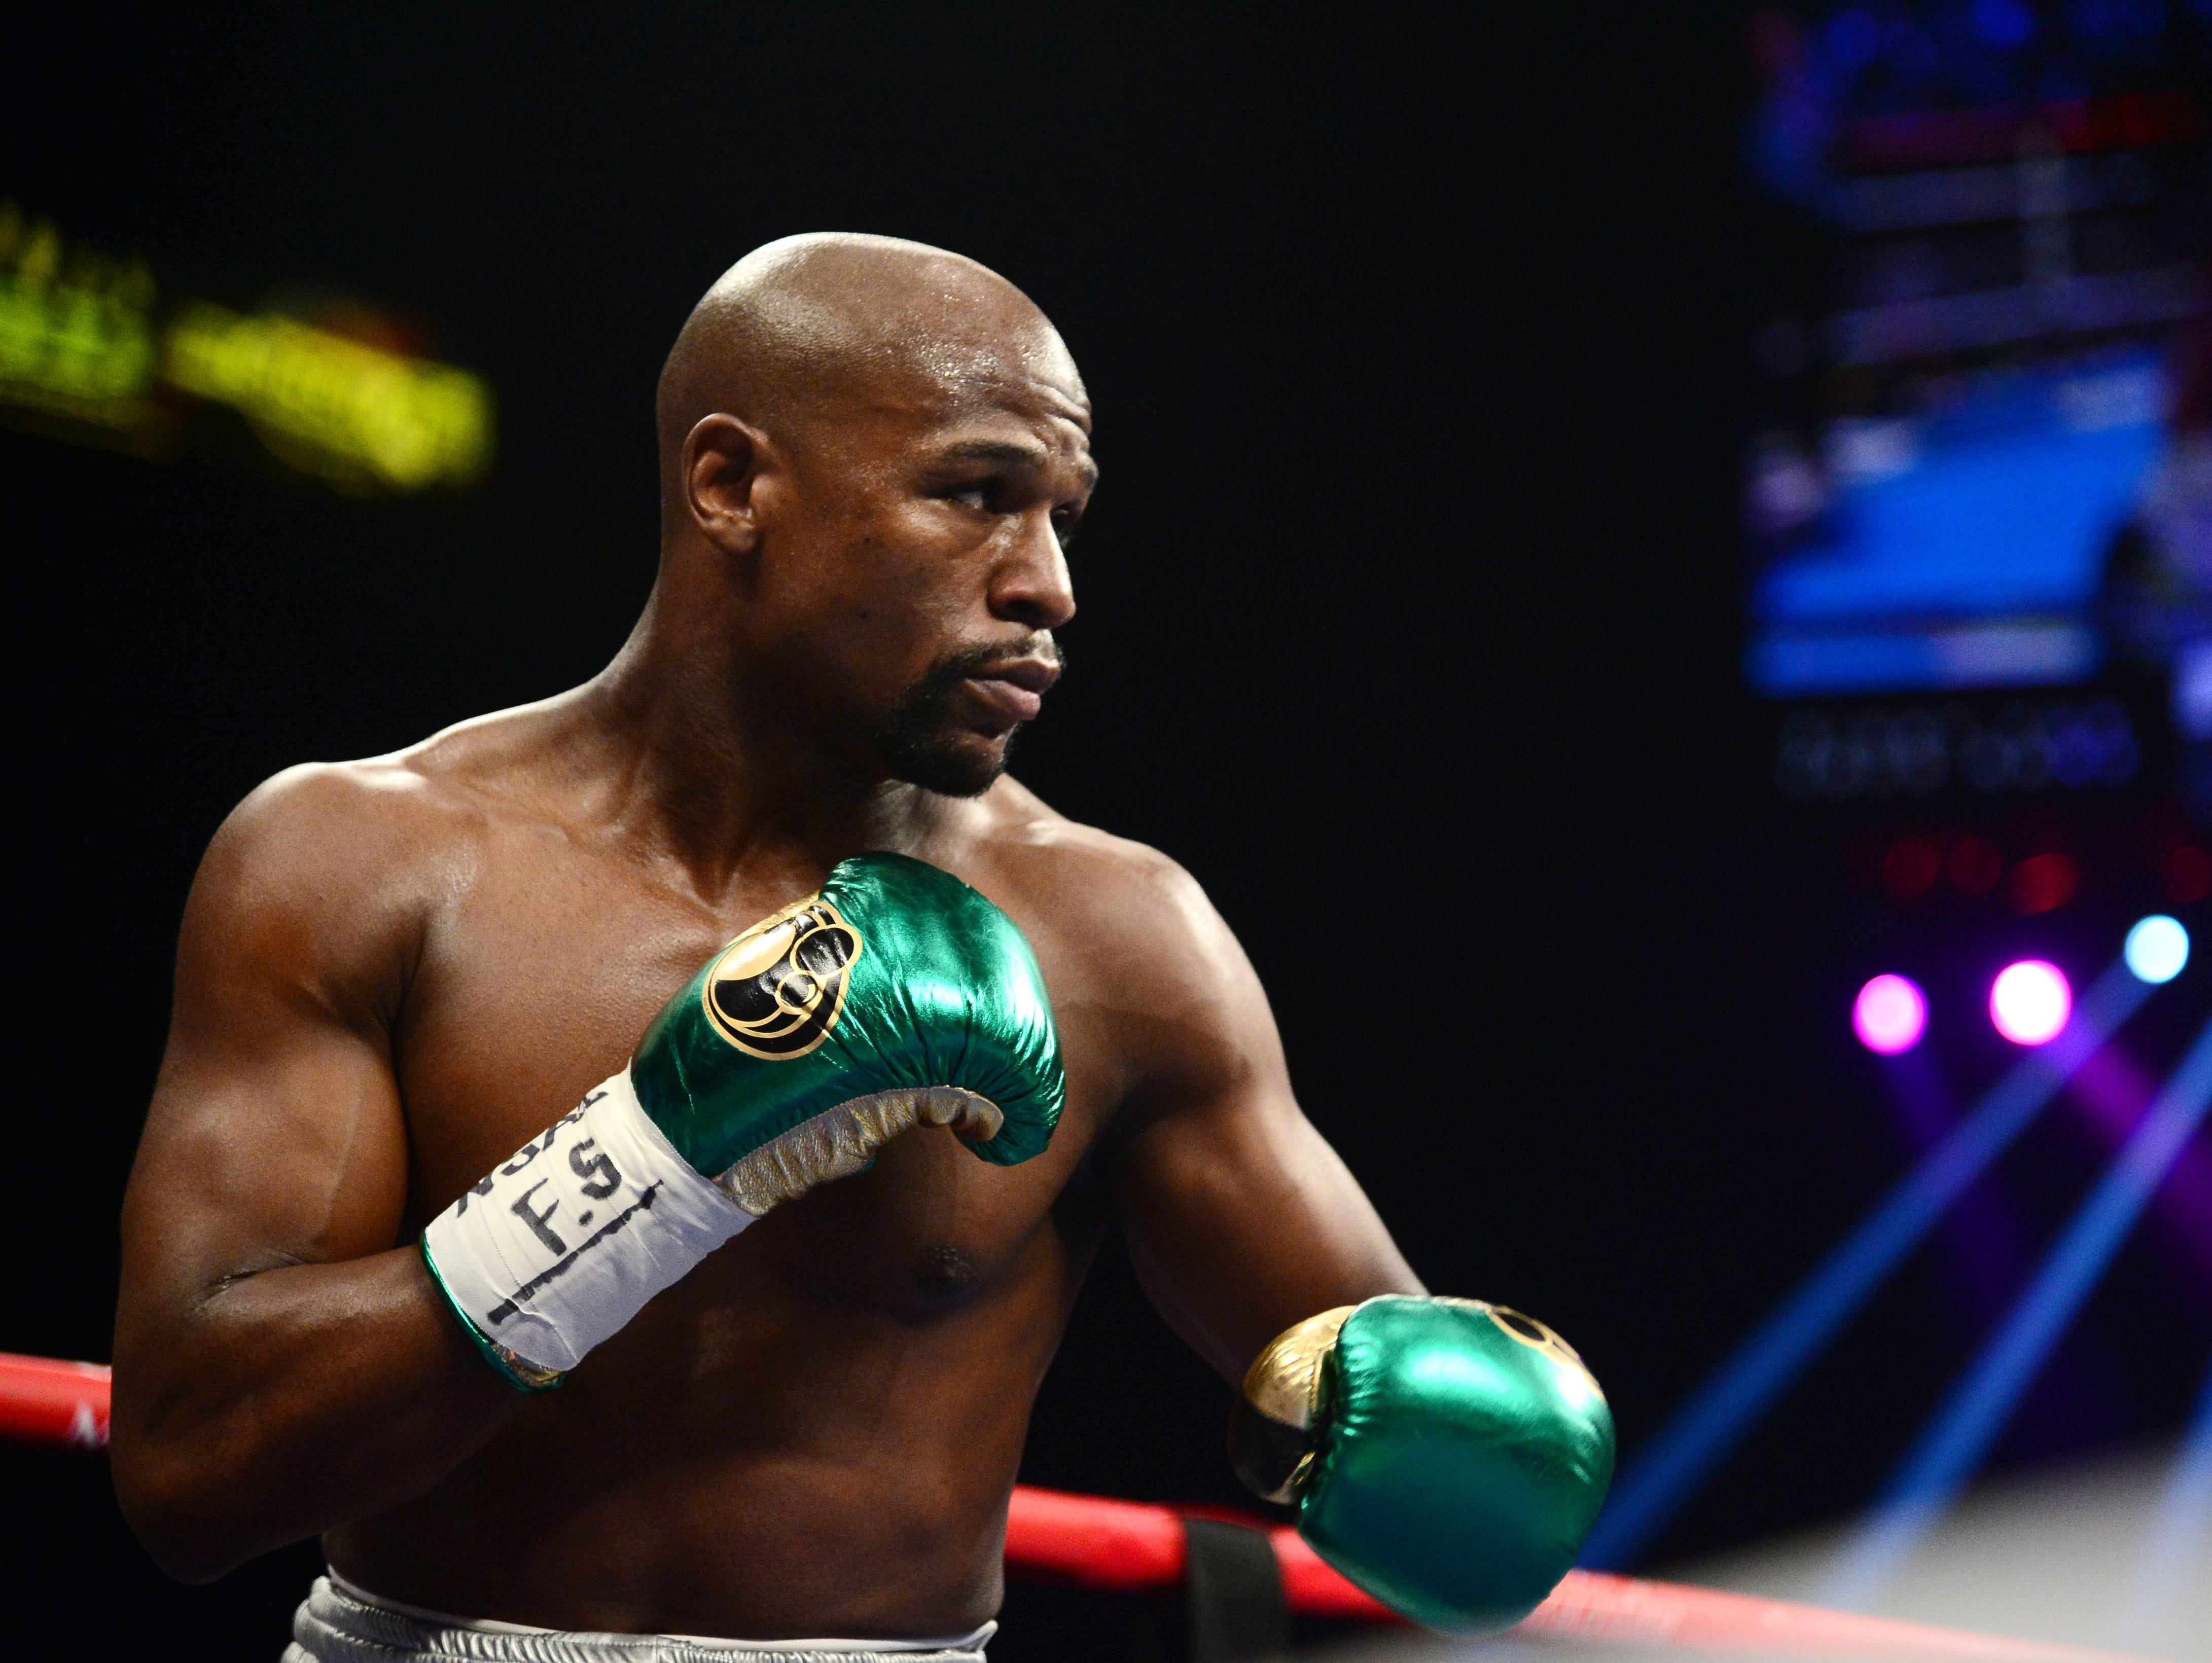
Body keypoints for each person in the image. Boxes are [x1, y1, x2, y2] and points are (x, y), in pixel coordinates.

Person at [112, 234, 1611, 1663]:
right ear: (730, 486)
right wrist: (662, 1154)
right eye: (978, 493)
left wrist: (1474, 1440)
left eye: (1063, 516)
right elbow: (192, 1473)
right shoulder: (364, 864)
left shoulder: (1118, 943)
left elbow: (1442, 1455)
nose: (1047, 585)